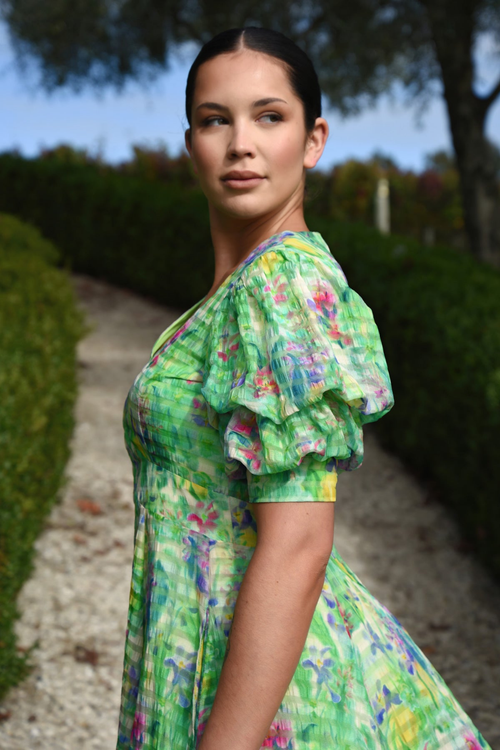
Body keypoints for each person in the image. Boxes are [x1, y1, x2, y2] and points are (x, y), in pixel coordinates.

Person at [116, 26, 491, 750]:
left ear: (313, 139)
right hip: (201, 659)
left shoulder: (284, 288)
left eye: (269, 116)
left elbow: (298, 544)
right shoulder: (232, 296)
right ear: (189, 140)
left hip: (277, 699)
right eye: (214, 120)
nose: (240, 145)